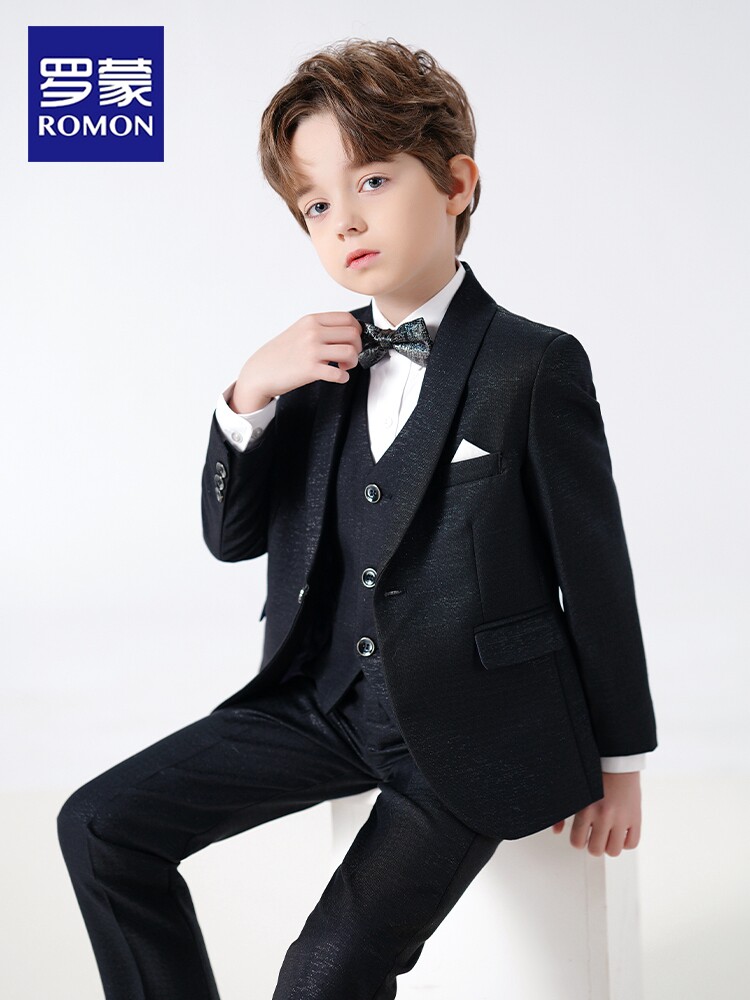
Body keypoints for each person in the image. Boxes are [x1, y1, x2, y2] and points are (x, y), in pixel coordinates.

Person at [57, 36, 658, 1000]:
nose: (345, 221)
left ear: (456, 183)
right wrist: (249, 393)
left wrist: (620, 763)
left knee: (321, 974)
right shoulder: (314, 366)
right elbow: (230, 539)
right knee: (99, 826)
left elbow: (596, 574)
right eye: (317, 205)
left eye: (373, 180)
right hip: (322, 703)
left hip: (469, 730)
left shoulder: (533, 365)